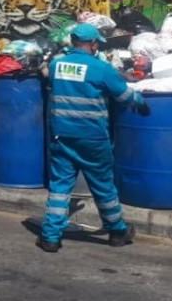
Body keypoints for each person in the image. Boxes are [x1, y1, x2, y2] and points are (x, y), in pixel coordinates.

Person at [39, 23, 149, 253]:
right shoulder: (100, 68)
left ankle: (50, 236)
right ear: (93, 44)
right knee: (103, 186)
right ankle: (117, 230)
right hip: (92, 138)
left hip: (62, 135)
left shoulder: (58, 64)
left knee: (60, 187)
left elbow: (50, 81)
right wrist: (140, 102)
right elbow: (124, 95)